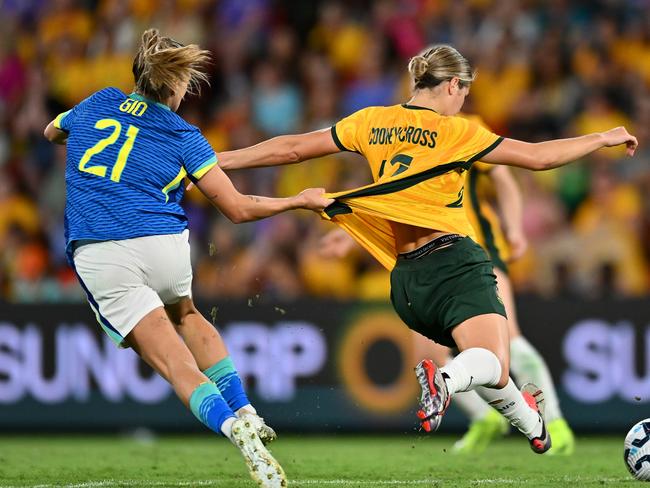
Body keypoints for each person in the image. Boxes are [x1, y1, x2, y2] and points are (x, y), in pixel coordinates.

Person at [213, 44, 637, 454]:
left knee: (489, 367)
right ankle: (446, 384)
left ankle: (536, 431)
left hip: (406, 282)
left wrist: (216, 160)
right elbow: (539, 158)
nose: (464, 101)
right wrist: (602, 137)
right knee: (492, 361)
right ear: (452, 85)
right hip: (454, 262)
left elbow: (292, 149)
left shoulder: (372, 121)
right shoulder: (458, 131)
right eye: (465, 92)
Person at [43, 29, 332, 488]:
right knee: (188, 314)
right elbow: (237, 209)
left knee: (176, 364)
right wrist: (297, 200)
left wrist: (78, 137)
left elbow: (52, 130)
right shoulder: (185, 135)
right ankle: (248, 412)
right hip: (164, 244)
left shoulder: (98, 101)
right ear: (176, 86)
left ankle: (233, 428)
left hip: (102, 249)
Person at [318, 153, 576, 455]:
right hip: (434, 259)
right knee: (433, 353)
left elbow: (505, 178)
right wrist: (351, 237)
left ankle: (555, 423)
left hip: (475, 253)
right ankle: (488, 417)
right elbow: (397, 203)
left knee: (508, 343)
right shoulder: (412, 137)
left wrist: (514, 228)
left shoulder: (465, 131)